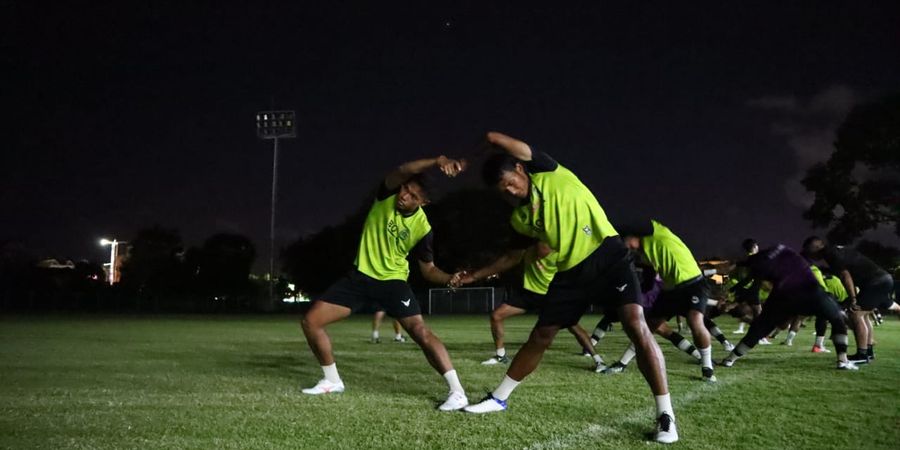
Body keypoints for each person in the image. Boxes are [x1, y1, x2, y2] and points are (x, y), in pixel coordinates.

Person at [460, 132, 678, 444]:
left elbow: (493, 137)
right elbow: (511, 256)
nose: (510, 190)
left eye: (511, 182)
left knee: (635, 323)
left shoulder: (547, 171)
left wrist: (469, 157)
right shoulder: (521, 218)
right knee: (541, 335)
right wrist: (474, 276)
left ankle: (665, 416)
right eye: (503, 190)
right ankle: (498, 398)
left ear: (521, 169)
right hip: (570, 273)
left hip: (607, 256)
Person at [300, 155, 470, 411]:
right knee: (311, 322)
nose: (404, 196)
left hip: (392, 282)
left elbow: (429, 270)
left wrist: (449, 278)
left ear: (425, 202)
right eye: (405, 189)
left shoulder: (423, 229)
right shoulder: (386, 195)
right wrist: (437, 161)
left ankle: (457, 392)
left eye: (413, 195)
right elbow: (402, 169)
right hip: (359, 277)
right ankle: (331, 380)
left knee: (420, 332)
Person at [719, 244, 857, 371]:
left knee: (759, 329)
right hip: (810, 291)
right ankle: (842, 360)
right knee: (838, 319)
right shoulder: (787, 251)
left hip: (783, 295)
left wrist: (734, 270)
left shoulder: (758, 261)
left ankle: (729, 360)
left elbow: (752, 275)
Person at [479, 243, 607, 371]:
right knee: (496, 316)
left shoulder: (560, 256)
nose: (542, 250)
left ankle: (598, 360)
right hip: (529, 294)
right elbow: (509, 260)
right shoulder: (527, 248)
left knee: (573, 326)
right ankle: (501, 356)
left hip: (550, 295)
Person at [618, 220, 717, 382]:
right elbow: (648, 282)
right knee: (647, 327)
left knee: (694, 320)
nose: (629, 247)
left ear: (633, 235)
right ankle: (622, 363)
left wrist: (606, 228)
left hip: (694, 283)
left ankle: (707, 369)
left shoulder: (657, 232)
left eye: (626, 242)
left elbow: (631, 224)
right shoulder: (644, 256)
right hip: (670, 291)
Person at [802, 237, 895, 363]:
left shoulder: (830, 254)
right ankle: (868, 353)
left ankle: (862, 356)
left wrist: (853, 299)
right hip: (879, 280)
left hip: (876, 282)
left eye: (808, 251)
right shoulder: (836, 249)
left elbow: (845, 276)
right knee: (864, 315)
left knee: (855, 314)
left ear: (815, 248)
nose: (809, 255)